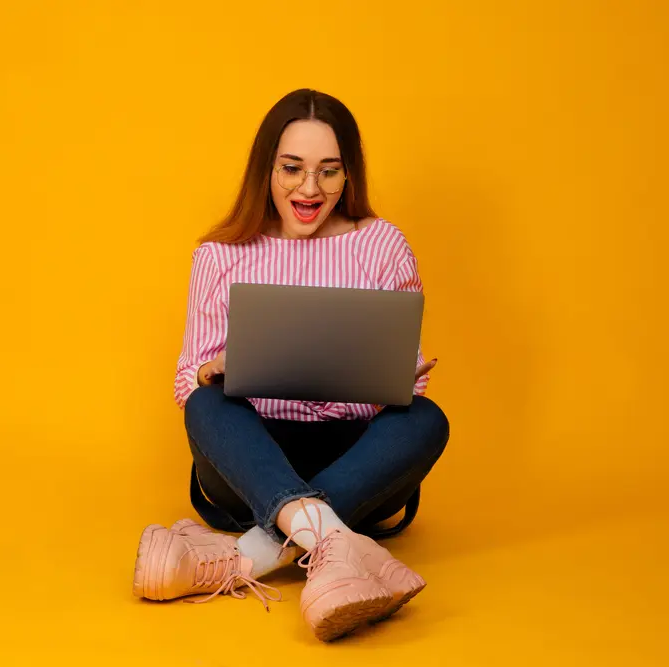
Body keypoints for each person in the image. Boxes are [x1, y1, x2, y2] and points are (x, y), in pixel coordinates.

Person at [131, 89, 450, 642]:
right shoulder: (220, 255)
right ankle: (329, 540)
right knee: (208, 404)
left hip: (353, 456)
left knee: (426, 417)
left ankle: (245, 556)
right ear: (266, 169)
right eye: (293, 169)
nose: (309, 189)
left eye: (329, 171)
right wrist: (217, 368)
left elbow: (400, 363)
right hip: (251, 461)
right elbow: (187, 384)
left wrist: (399, 376)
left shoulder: (382, 246)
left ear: (349, 175)